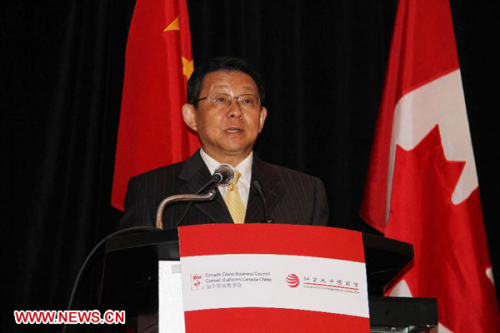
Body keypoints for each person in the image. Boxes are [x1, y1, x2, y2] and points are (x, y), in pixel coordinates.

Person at [119, 56, 329, 230]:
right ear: (191, 116)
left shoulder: (305, 193)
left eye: (246, 101)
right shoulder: (156, 194)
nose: (235, 111)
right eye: (220, 99)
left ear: (261, 118)